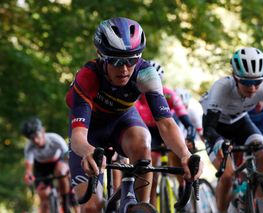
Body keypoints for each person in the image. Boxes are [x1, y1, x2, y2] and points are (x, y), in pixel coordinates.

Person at [65, 17, 203, 213]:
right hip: (90, 132)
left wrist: (185, 154)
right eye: (116, 61)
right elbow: (79, 135)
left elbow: (166, 123)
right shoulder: (88, 76)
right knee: (91, 207)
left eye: (131, 60)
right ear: (101, 55)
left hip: (123, 122)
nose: (124, 69)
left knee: (142, 143)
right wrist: (87, 150)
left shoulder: (146, 74)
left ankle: (138, 204)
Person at [200, 47, 263, 213]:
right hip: (216, 127)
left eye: (257, 82)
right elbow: (209, 128)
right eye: (246, 82)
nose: (253, 88)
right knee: (227, 176)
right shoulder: (222, 87)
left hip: (240, 122)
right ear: (235, 77)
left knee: (261, 154)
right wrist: (219, 144)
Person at [135, 60, 197, 206]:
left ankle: (182, 188)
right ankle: (151, 203)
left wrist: (190, 136)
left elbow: (185, 120)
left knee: (179, 152)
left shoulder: (169, 94)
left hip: (166, 125)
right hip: (148, 131)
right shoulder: (136, 98)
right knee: (150, 167)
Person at [21, 117, 78, 213]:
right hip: (41, 168)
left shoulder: (55, 139)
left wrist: (71, 171)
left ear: (43, 131)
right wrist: (28, 175)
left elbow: (68, 157)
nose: (35, 140)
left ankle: (65, 202)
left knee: (61, 171)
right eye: (31, 138)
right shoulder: (29, 147)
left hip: (58, 162)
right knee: (43, 195)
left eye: (36, 135)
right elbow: (29, 168)